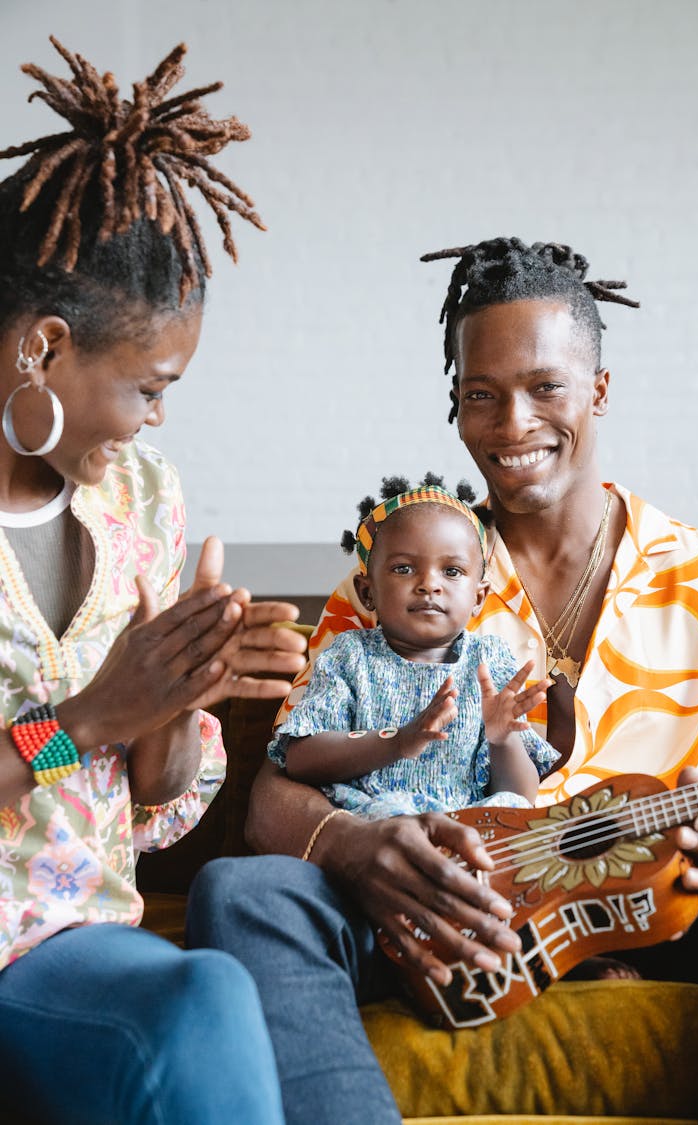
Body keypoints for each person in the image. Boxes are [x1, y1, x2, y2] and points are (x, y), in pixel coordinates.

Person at [186, 236, 698, 1125]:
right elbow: (276, 793)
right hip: (433, 919)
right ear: (454, 408)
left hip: (661, 920)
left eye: (545, 387)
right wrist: (349, 847)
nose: (512, 422)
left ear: (599, 389)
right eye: (480, 395)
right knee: (242, 890)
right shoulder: (401, 579)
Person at [0, 37, 307, 1124]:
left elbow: (154, 802)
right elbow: (86, 733)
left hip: (74, 950)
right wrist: (85, 718)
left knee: (205, 990)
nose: (158, 419)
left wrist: (184, 697)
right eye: (146, 386)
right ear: (41, 352)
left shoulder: (140, 495)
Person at [273, 475, 557, 819]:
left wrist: (503, 739)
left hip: (462, 826)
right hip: (374, 824)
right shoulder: (350, 656)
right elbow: (300, 760)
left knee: (512, 812)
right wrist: (398, 741)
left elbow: (519, 795)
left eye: (451, 571)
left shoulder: (488, 661)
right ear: (367, 592)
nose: (428, 585)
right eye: (404, 568)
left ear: (478, 597)